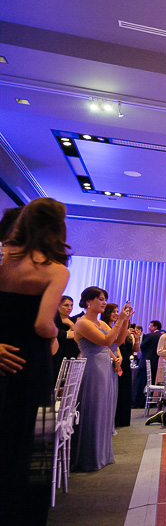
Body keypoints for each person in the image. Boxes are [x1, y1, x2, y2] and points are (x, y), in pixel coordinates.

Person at [0, 199, 69, 525]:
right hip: (33, 361)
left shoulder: (4, 261)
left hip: (4, 354)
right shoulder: (55, 270)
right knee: (38, 437)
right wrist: (57, 331)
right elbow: (43, 324)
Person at [72, 288, 133, 472]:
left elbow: (118, 342)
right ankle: (88, 458)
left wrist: (125, 320)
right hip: (92, 368)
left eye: (105, 299)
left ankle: (101, 455)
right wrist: (120, 320)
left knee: (104, 410)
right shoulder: (82, 323)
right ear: (88, 301)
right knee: (93, 409)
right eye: (100, 299)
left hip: (105, 369)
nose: (104, 302)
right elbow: (106, 341)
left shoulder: (101, 323)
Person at [134, 320, 161, 407]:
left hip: (146, 361)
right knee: (152, 382)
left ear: (155, 327)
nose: (149, 327)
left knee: (142, 383)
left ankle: (139, 403)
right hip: (156, 363)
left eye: (151, 326)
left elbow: (142, 346)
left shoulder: (150, 335)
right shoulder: (162, 336)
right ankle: (149, 402)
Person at [54, 295, 80, 382]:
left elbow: (79, 337)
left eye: (71, 305)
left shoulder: (73, 320)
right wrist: (67, 334)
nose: (70, 308)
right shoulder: (53, 320)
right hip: (56, 356)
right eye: (66, 305)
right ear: (58, 305)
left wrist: (72, 325)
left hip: (71, 356)